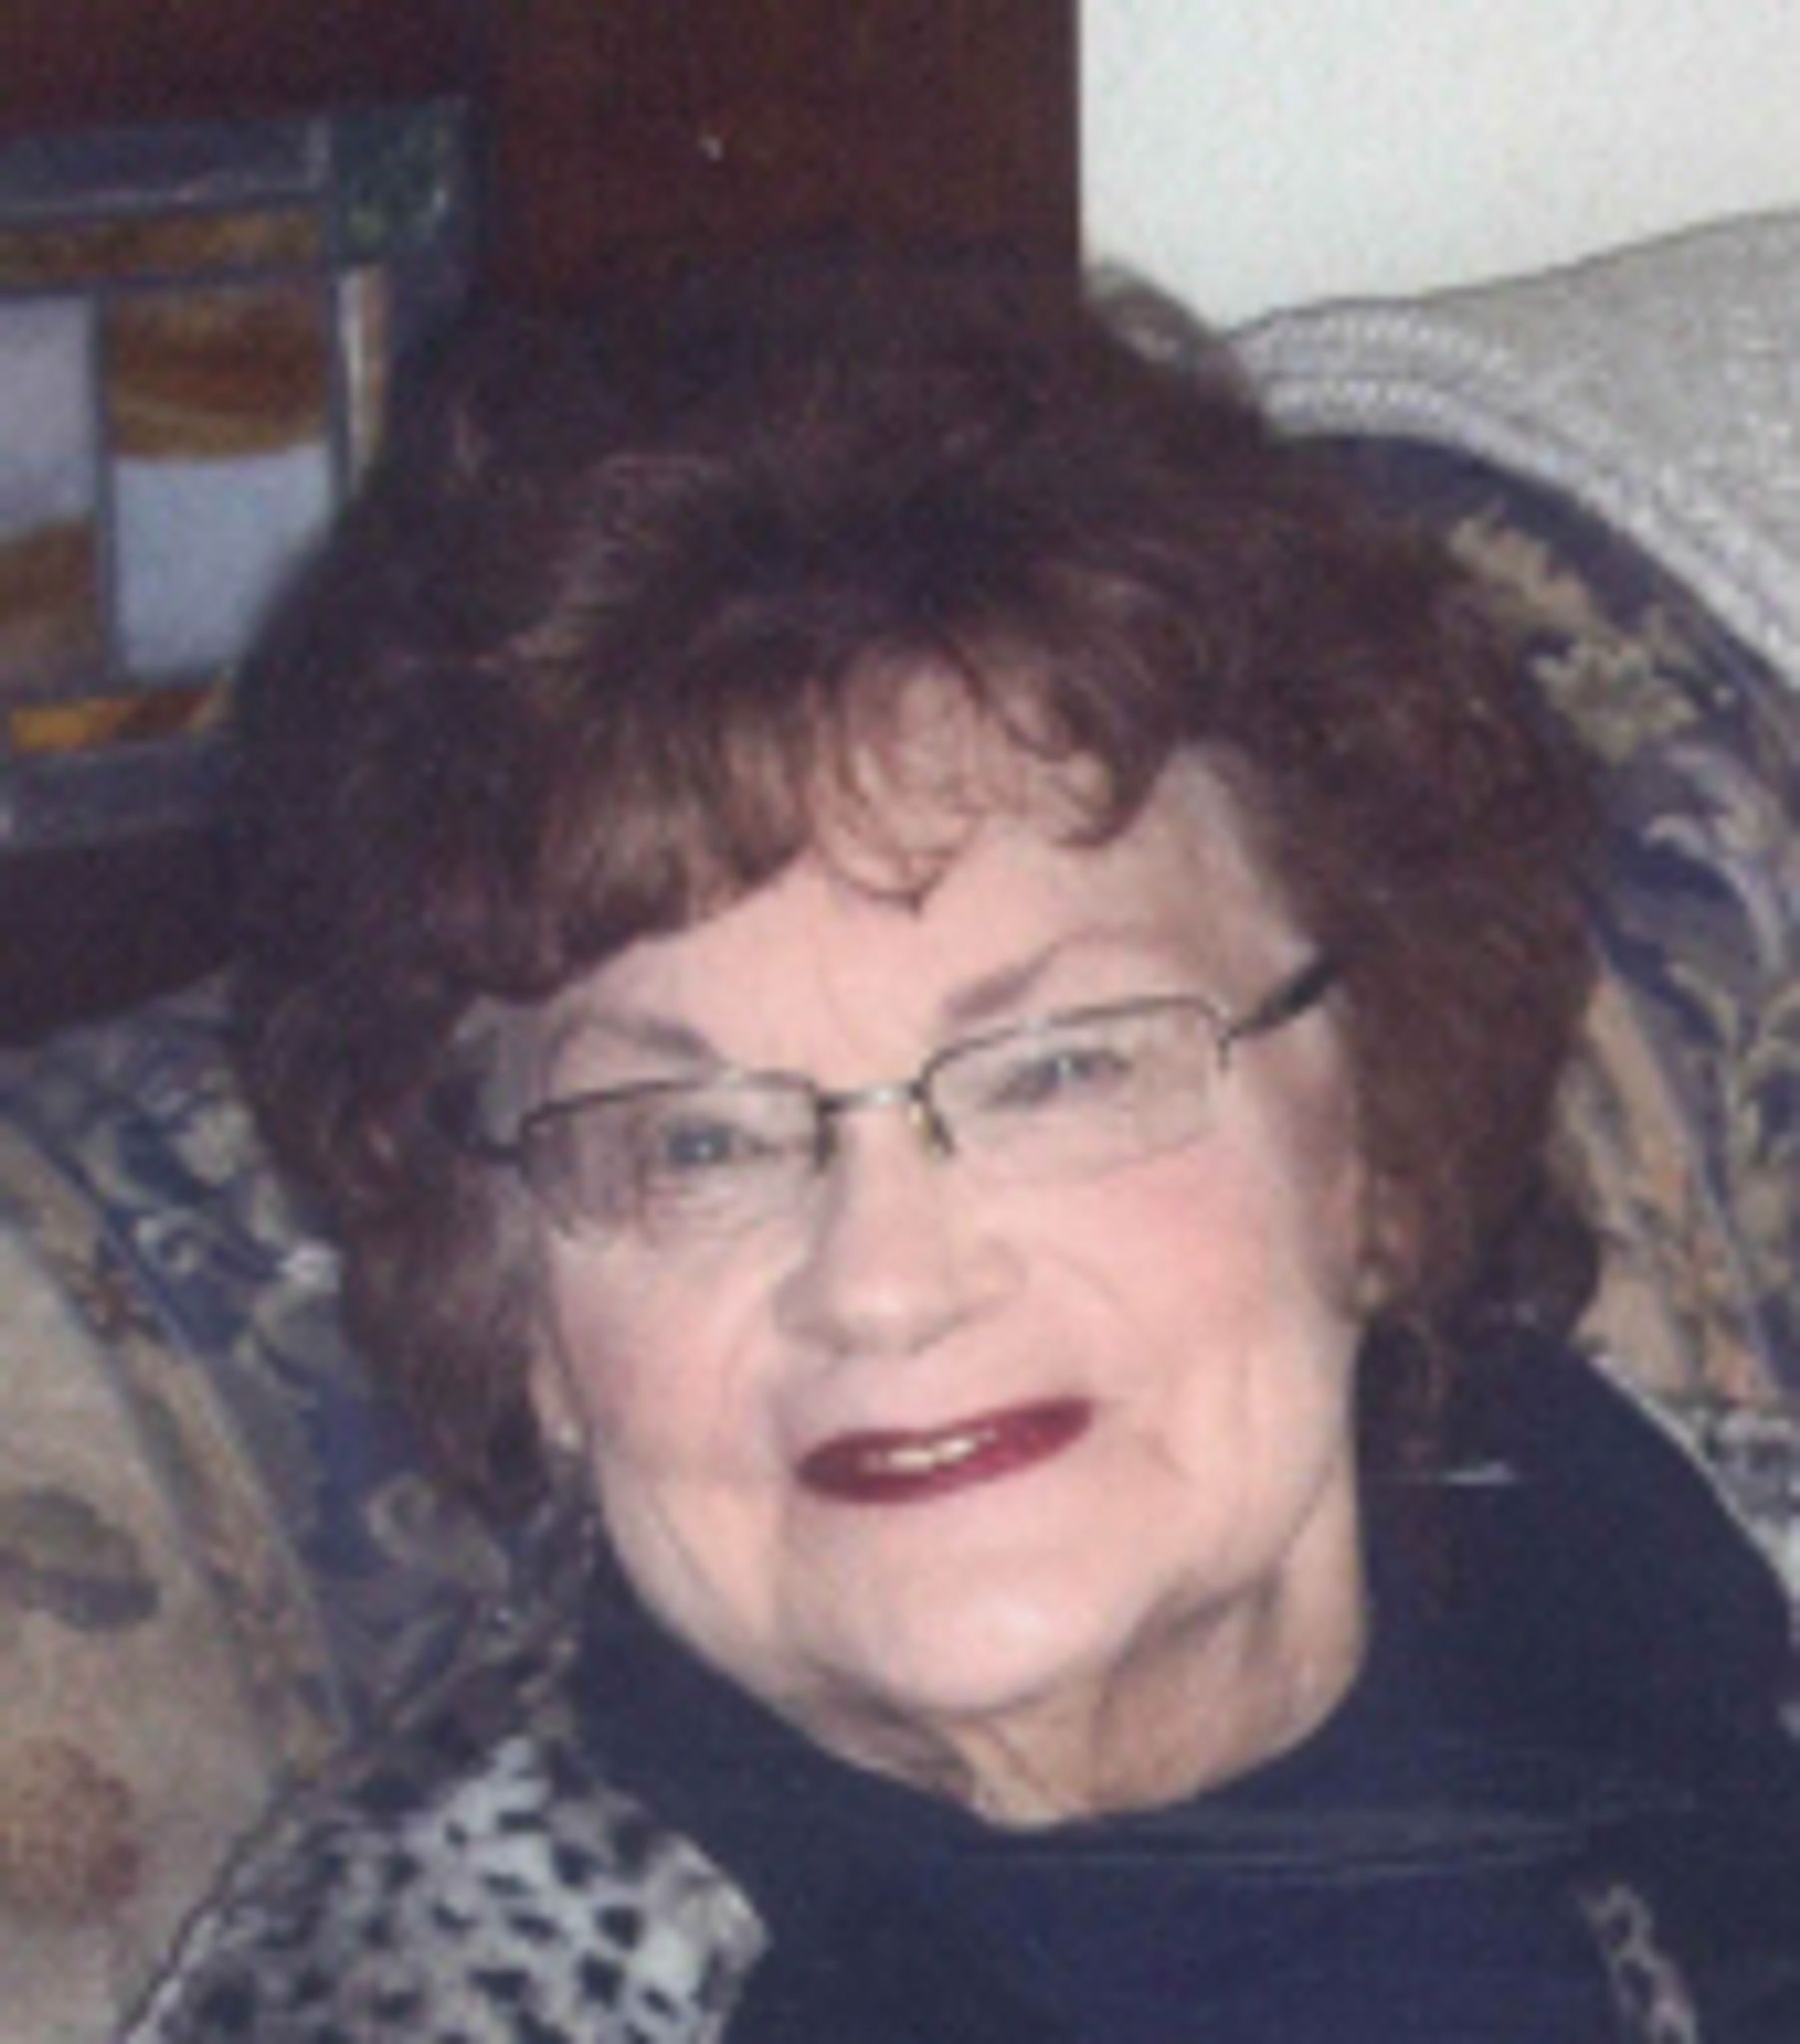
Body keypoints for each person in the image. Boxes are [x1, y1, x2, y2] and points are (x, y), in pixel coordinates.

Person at [128, 267, 1800, 2043]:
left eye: (1055, 1072)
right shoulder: (420, 2000)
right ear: (520, 1306)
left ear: (1375, 1139)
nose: (885, 1283)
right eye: (695, 1140)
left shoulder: (1712, 1572)